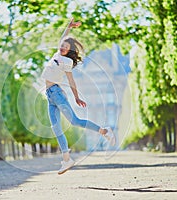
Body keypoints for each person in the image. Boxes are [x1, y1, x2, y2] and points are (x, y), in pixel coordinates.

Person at [41, 18, 116, 175]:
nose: (62, 47)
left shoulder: (66, 61)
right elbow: (63, 38)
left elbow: (71, 80)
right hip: (50, 95)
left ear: (69, 51)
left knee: (75, 121)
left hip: (57, 94)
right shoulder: (57, 53)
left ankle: (104, 131)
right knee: (56, 128)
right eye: (62, 45)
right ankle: (66, 159)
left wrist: (76, 97)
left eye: (66, 47)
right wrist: (68, 27)